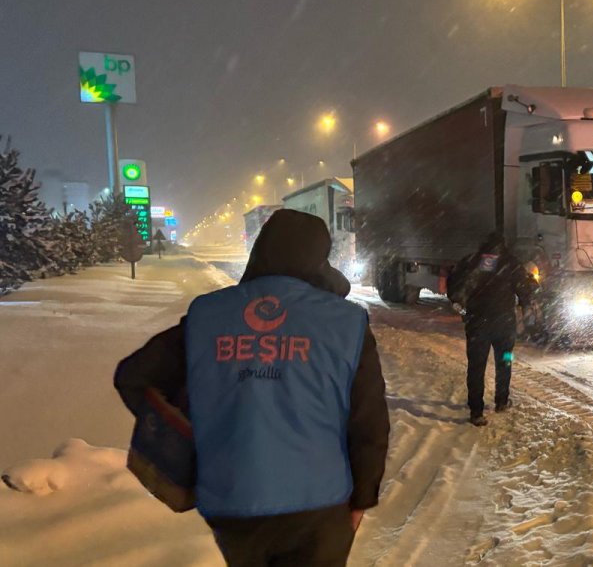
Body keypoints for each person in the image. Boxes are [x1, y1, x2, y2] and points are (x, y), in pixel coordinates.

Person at [114, 209, 390, 566]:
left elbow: (133, 377)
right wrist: (362, 497)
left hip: (231, 503)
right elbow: (368, 420)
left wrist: (190, 435)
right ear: (320, 258)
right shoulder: (346, 323)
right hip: (319, 504)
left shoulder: (207, 316)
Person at [448, 231, 536, 427]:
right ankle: (502, 401)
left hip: (477, 324)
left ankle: (476, 411)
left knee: (476, 367)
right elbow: (524, 289)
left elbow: (454, 285)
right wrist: (526, 305)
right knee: (505, 360)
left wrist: (460, 306)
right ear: (503, 246)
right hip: (504, 325)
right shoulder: (511, 264)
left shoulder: (471, 262)